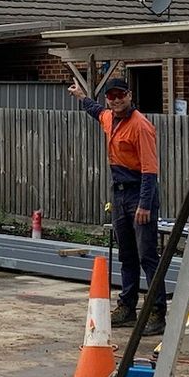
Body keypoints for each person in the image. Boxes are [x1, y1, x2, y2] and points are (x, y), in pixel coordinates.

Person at [69, 74, 163, 334]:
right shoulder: (109, 118)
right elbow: (95, 111)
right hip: (119, 194)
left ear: (129, 96)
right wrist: (82, 97)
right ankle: (127, 307)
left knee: (147, 256)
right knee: (127, 255)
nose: (117, 99)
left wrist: (145, 204)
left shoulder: (140, 126)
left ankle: (157, 312)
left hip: (139, 194)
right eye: (112, 96)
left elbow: (149, 170)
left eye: (121, 95)